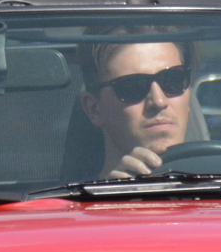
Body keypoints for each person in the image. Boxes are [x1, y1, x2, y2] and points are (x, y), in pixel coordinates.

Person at [79, 38, 193, 179]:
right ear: (94, 109)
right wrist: (109, 196)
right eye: (133, 86)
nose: (159, 101)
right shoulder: (67, 201)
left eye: (173, 80)